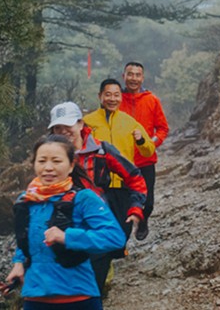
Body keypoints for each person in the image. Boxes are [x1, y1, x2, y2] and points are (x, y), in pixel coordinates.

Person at [3, 134, 125, 310]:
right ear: (34, 164)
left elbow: (115, 237)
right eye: (42, 161)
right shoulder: (26, 200)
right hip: (35, 297)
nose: (48, 168)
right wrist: (18, 263)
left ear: (71, 166)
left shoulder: (84, 198)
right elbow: (25, 236)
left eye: (56, 161)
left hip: (79, 296)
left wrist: (67, 237)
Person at [48, 101, 148, 297]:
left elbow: (134, 177)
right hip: (61, 225)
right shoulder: (48, 156)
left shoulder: (101, 151)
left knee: (92, 286)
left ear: (80, 124)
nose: (62, 131)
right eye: (57, 127)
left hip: (97, 224)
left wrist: (136, 208)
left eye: (67, 125)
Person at [83, 78, 155, 240]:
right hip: (98, 186)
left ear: (121, 97)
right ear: (100, 96)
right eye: (108, 94)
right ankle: (104, 261)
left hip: (124, 186)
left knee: (123, 231)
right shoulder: (88, 122)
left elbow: (148, 151)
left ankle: (114, 253)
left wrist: (141, 140)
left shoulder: (129, 122)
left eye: (116, 95)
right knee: (99, 227)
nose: (112, 99)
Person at [120, 61, 169, 241]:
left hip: (145, 161)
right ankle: (121, 237)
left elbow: (162, 128)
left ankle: (143, 219)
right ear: (123, 76)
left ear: (142, 77)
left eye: (137, 75)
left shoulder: (151, 100)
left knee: (147, 202)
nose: (133, 78)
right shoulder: (116, 99)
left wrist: (151, 143)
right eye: (130, 74)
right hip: (121, 161)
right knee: (123, 201)